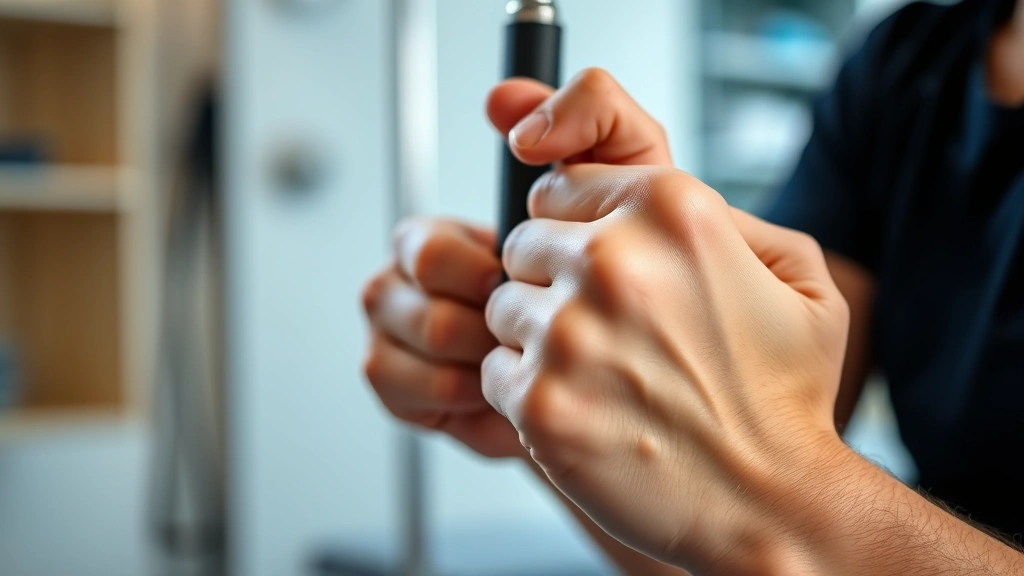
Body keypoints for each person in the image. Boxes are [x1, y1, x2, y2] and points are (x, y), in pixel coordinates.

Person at [360, 0, 1024, 573]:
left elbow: (781, 506)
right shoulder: (904, 66)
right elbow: (742, 542)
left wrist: (789, 488)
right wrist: (565, 405)